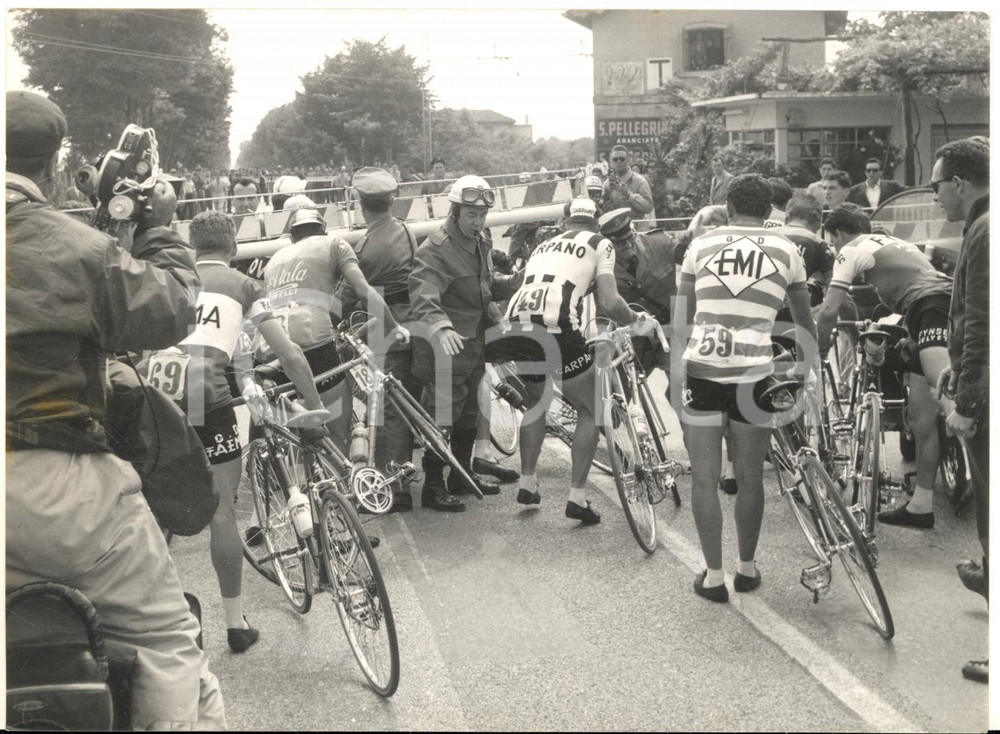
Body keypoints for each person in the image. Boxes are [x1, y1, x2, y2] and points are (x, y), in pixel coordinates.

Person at [5, 90, 226, 728]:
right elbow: (173, 308)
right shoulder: (79, 247)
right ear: (51, 167)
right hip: (60, 490)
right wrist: (157, 226)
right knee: (167, 647)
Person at [153, 211, 326, 653]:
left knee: (154, 515)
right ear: (232, 247)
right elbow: (288, 354)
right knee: (222, 512)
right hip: (206, 396)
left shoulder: (166, 276)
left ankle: (153, 620)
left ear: (194, 246)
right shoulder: (243, 284)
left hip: (155, 395)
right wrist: (316, 407)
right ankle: (234, 624)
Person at [674, 173, 816, 603]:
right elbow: (804, 325)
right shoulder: (788, 250)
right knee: (751, 476)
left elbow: (682, 322)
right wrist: (803, 373)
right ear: (770, 209)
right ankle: (747, 570)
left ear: (728, 206)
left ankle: (713, 577)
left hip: (703, 369)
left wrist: (673, 380)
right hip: (757, 371)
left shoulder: (699, 246)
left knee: (704, 477)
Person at [487, 197, 645, 524]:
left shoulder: (544, 245)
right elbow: (611, 302)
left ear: (565, 222)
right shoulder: (601, 243)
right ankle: (577, 496)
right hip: (557, 327)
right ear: (597, 222)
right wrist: (635, 318)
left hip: (516, 324)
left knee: (536, 403)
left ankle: (528, 483)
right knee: (592, 408)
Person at [814, 203, 954, 529]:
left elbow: (830, 310)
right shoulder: (891, 242)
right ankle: (921, 506)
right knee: (922, 417)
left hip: (929, 304)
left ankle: (972, 433)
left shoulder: (850, 248)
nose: (833, 248)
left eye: (832, 240)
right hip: (934, 302)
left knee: (944, 393)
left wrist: (819, 348)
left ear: (838, 233)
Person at [409, 175, 523, 511]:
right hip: (446, 345)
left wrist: (512, 283)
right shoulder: (436, 248)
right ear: (455, 210)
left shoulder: (481, 239)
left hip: (474, 341)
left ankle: (459, 476)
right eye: (471, 214)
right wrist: (442, 327)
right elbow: (423, 294)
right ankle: (432, 486)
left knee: (471, 410)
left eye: (482, 214)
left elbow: (483, 285)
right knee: (442, 414)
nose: (478, 221)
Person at [263, 205, 408, 450]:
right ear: (323, 229)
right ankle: (341, 478)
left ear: (291, 236)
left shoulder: (274, 260)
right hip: (314, 341)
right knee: (335, 435)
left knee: (305, 436)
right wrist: (393, 326)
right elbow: (363, 291)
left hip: (274, 348)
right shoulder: (334, 244)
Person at [929, 138, 989, 684]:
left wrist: (967, 403)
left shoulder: (985, 230)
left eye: (937, 185)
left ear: (962, 184)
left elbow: (981, 324)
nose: (936, 196)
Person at [346, 167, 423, 511]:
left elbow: (351, 295)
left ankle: (394, 487)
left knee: (385, 407)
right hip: (414, 321)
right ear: (392, 199)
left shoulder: (363, 247)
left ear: (362, 204)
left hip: (384, 324)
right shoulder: (405, 231)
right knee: (408, 400)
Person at [597, 207, 678, 373]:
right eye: (619, 243)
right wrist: (603, 345)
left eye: (629, 238)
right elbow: (602, 314)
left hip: (670, 328)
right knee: (622, 391)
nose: (627, 245)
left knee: (681, 389)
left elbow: (692, 255)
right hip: (633, 337)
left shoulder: (660, 242)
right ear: (607, 245)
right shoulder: (601, 268)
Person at [602, 144, 653, 230]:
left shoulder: (640, 181)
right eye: (615, 159)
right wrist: (605, 204)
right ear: (611, 161)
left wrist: (629, 195)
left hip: (637, 229)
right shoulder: (607, 184)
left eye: (622, 159)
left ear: (628, 160)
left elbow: (648, 208)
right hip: (616, 230)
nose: (618, 161)